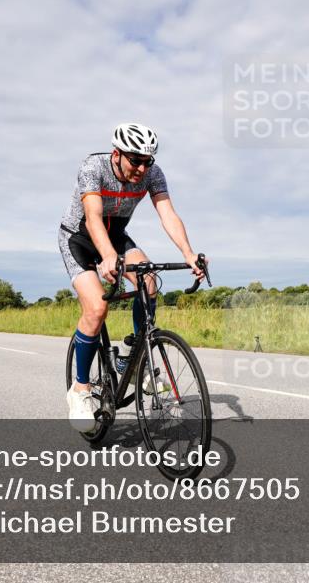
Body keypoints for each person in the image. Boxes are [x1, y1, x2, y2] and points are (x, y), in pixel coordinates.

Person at [58, 123, 205, 432]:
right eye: (135, 160)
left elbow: (167, 214)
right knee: (97, 308)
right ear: (117, 153)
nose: (141, 167)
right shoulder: (93, 166)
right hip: (80, 239)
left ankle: (136, 357)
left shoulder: (152, 173)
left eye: (147, 160)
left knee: (148, 279)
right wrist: (108, 257)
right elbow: (94, 218)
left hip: (117, 235)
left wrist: (189, 253)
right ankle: (81, 389)